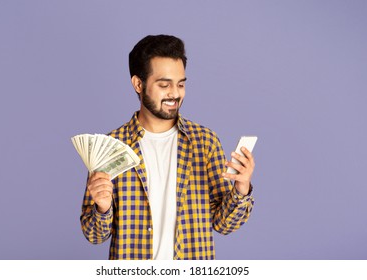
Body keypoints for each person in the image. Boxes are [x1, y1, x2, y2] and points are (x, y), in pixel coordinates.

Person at [80, 34, 255, 260]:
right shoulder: (110, 146)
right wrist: (102, 208)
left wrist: (241, 189)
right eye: (164, 84)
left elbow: (223, 225)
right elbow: (94, 235)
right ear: (138, 84)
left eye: (180, 84)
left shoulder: (205, 142)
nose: (175, 93)